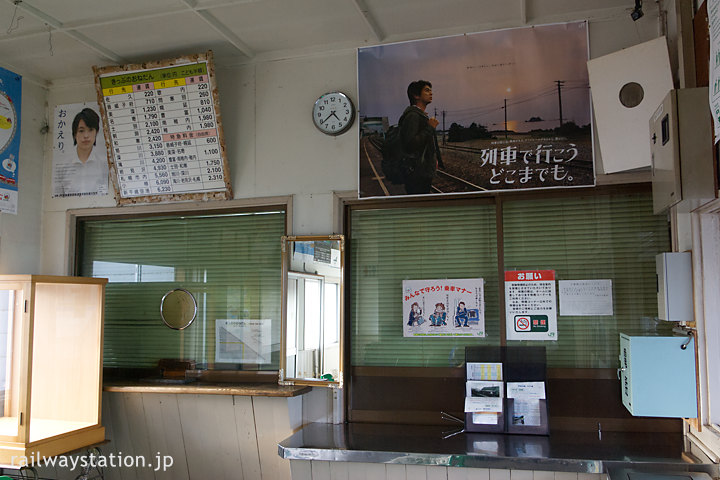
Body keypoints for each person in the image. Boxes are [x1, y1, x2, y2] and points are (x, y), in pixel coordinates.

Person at [399, 80, 444, 194]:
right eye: (427, 90)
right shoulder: (413, 116)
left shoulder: (420, 116)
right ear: (416, 95)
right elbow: (410, 144)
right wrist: (430, 127)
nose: (431, 93)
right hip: (416, 173)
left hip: (421, 171)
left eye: (431, 90)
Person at [55, 107, 109, 196]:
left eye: (91, 130)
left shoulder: (104, 165)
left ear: (97, 132)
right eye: (81, 131)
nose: (86, 135)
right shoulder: (63, 166)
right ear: (74, 134)